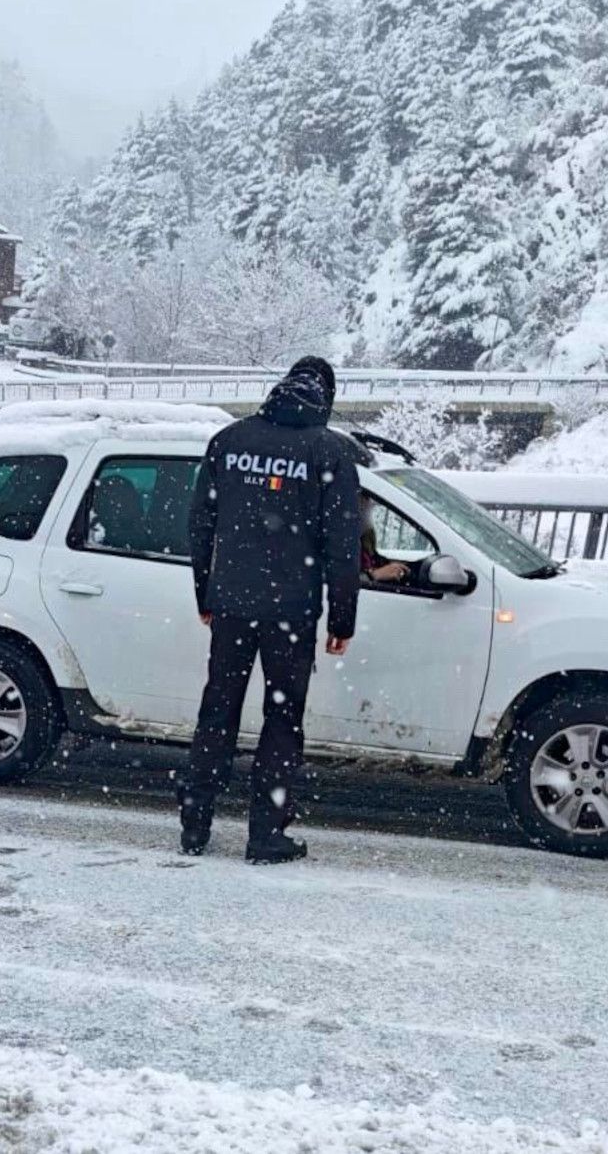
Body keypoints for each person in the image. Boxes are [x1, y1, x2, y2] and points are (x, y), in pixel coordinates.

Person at [183, 356, 361, 864]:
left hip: (232, 605)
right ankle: (266, 833)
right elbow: (342, 546)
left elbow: (200, 525)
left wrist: (206, 595)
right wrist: (341, 618)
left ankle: (194, 822)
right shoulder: (330, 453)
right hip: (292, 612)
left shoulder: (229, 441)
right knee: (282, 719)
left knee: (218, 709)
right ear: (325, 398)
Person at [360, 492, 411, 585]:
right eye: (362, 507)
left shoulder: (363, 539)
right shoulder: (333, 543)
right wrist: (373, 576)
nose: (367, 514)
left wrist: (405, 566)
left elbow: (376, 560)